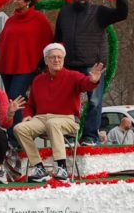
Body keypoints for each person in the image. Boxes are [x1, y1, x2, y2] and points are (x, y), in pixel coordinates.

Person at [14, 43, 103, 183]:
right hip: (41, 119)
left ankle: (62, 168)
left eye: (59, 57)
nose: (56, 60)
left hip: (67, 118)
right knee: (19, 128)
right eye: (53, 57)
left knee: (53, 123)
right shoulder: (38, 80)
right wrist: (27, 115)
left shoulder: (73, 76)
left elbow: (85, 84)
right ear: (46, 60)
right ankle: (39, 168)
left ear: (63, 59)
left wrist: (93, 80)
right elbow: (30, 104)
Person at [55, 0, 128, 145]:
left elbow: (122, 14)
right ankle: (69, 135)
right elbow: (58, 37)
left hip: (92, 65)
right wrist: (55, 59)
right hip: (69, 65)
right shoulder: (65, 12)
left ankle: (90, 136)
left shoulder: (99, 12)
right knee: (67, 102)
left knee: (94, 102)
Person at [0, 0, 53, 142]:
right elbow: (1, 45)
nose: (15, 1)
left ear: (28, 2)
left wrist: (42, 64)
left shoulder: (39, 19)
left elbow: (48, 42)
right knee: (10, 100)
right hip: (7, 66)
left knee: (16, 97)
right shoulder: (11, 20)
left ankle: (17, 137)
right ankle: (15, 134)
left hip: (27, 66)